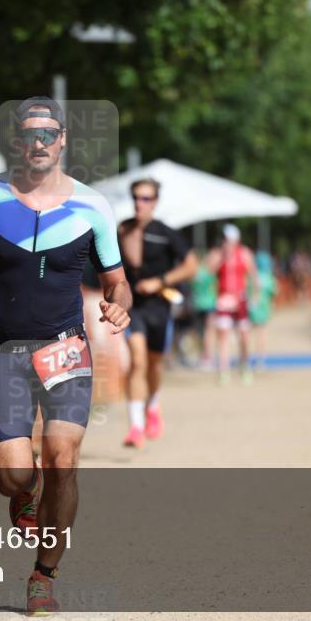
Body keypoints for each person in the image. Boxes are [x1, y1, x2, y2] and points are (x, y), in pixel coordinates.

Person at [0, 96, 132, 616]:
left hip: (66, 348)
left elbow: (118, 283)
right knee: (12, 476)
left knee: (63, 460)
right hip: (3, 350)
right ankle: (25, 492)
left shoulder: (93, 205)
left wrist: (118, 307)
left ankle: (43, 575)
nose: (40, 142)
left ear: (63, 139)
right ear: (18, 142)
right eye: (31, 134)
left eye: (50, 133)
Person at [117, 179, 197, 448]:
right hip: (133, 309)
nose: (141, 203)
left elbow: (191, 266)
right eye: (137, 197)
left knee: (154, 363)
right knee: (137, 362)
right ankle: (136, 427)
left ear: (156, 201)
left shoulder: (165, 233)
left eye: (147, 198)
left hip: (160, 308)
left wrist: (160, 281)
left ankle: (153, 404)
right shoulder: (123, 230)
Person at [207, 224, 259, 385]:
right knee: (223, 336)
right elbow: (208, 272)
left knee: (244, 336)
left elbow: (254, 277)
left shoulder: (245, 254)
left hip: (241, 300)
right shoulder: (217, 254)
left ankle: (245, 366)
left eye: (229, 240)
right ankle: (224, 370)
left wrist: (254, 297)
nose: (226, 243)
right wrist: (220, 258)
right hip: (223, 300)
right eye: (224, 240)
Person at [248, 251, 278, 369]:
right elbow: (273, 292)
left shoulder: (251, 276)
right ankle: (261, 360)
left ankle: (246, 357)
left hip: (251, 307)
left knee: (248, 333)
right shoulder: (269, 277)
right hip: (264, 307)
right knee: (261, 334)